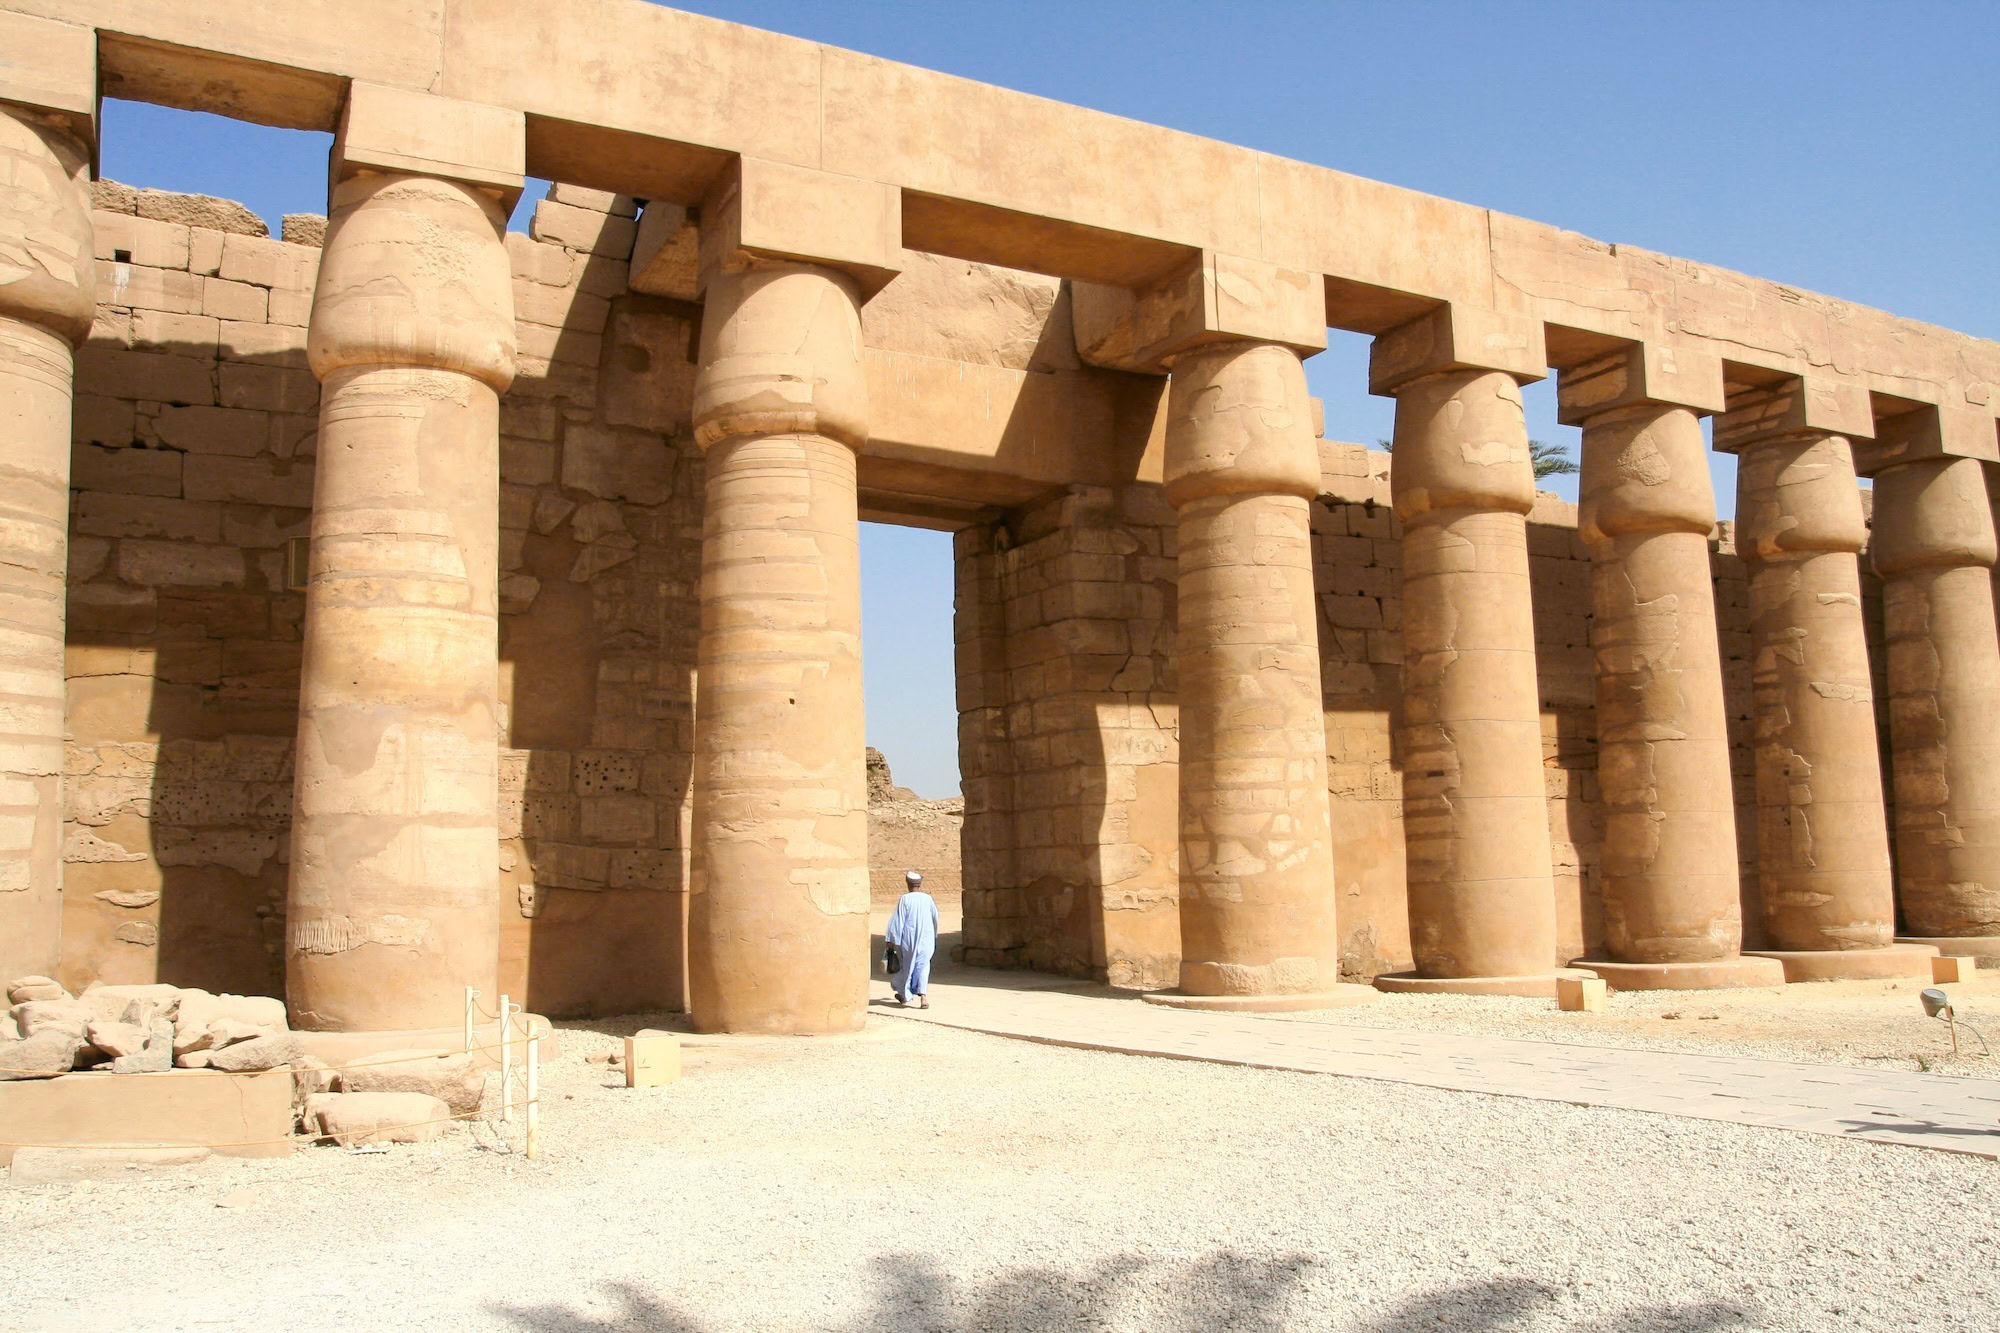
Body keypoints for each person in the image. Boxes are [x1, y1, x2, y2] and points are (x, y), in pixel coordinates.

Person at [885, 869, 940, 1008]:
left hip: (908, 940)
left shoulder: (905, 899)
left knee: (908, 966)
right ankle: (923, 998)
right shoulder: (928, 899)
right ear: (919, 885)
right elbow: (935, 918)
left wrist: (891, 939)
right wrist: (933, 935)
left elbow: (898, 920)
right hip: (926, 939)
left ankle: (905, 994)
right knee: (923, 966)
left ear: (908, 884)